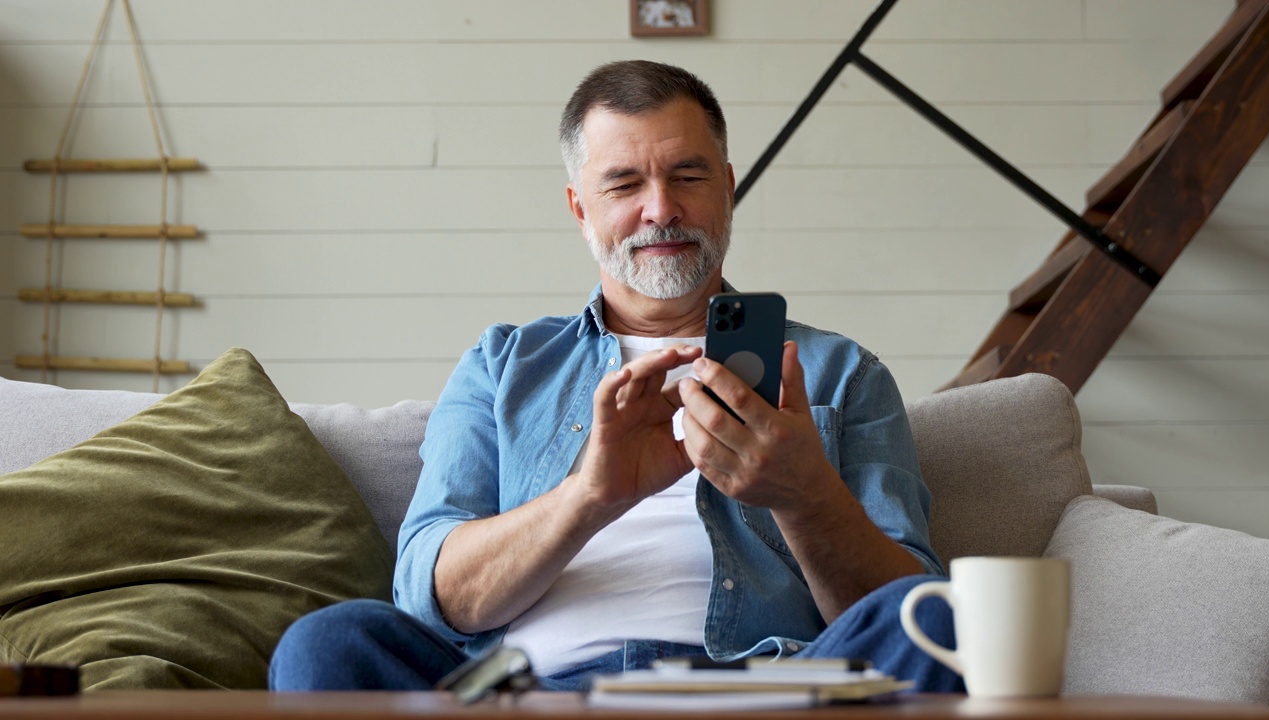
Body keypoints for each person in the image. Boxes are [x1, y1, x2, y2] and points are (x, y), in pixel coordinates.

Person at [269, 60, 961, 693]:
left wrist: (803, 495)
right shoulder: (503, 364)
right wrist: (590, 496)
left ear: (727, 186)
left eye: (688, 176)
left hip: (767, 689)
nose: (661, 209)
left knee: (939, 622)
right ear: (580, 208)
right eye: (624, 183)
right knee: (328, 643)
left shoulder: (840, 372)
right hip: (529, 693)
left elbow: (914, 614)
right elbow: (429, 592)